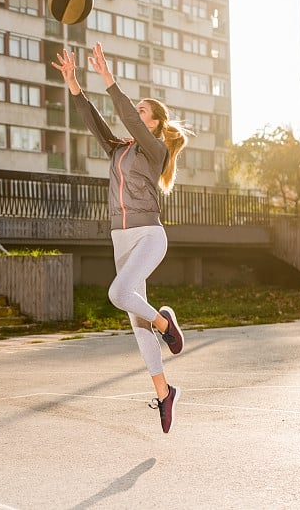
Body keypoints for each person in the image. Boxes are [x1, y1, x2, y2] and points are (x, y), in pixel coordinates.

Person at [51, 43, 190, 433]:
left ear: (156, 124)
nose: (137, 114)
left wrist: (109, 80)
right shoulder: (119, 150)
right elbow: (97, 123)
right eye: (139, 110)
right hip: (121, 239)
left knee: (118, 294)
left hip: (149, 236)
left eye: (144, 112)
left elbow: (126, 116)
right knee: (136, 323)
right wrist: (75, 85)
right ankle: (165, 393)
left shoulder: (154, 150)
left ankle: (165, 324)